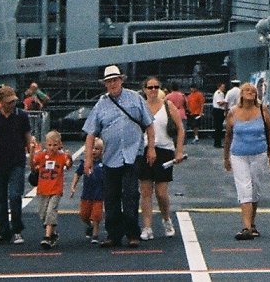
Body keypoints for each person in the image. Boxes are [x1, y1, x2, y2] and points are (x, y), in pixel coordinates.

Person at [82, 65, 156, 248]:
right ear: (105, 84)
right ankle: (113, 234)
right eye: (109, 81)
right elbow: (90, 133)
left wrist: (151, 148)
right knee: (111, 196)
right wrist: (89, 159)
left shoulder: (135, 98)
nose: (112, 84)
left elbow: (149, 124)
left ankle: (132, 233)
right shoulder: (101, 104)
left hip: (132, 153)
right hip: (110, 156)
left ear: (121, 80)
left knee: (130, 194)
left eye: (115, 80)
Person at [222, 81, 270, 241]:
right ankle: (246, 227)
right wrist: (226, 157)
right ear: (241, 94)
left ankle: (252, 224)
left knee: (255, 188)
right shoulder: (233, 112)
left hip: (258, 153)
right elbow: (228, 136)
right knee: (244, 188)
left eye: (253, 91)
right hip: (238, 155)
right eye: (247, 90)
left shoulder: (262, 110)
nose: (250, 92)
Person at [0, 85, 35, 245]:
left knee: (15, 196)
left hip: (17, 161)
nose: (12, 105)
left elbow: (27, 137)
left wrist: (32, 155)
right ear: (1, 101)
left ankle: (17, 229)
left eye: (13, 101)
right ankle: (2, 231)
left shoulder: (21, 116)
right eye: (9, 102)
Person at [138, 76, 185, 240]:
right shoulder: (140, 106)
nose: (153, 90)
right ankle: (147, 226)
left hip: (164, 149)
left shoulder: (168, 105)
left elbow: (180, 129)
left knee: (161, 192)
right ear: (144, 89)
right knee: (145, 191)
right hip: (144, 150)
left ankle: (166, 219)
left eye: (155, 87)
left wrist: (179, 151)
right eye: (149, 87)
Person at [31, 130, 72, 248]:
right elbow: (33, 166)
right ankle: (53, 233)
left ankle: (47, 237)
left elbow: (68, 165)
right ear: (45, 144)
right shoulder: (41, 156)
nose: (52, 147)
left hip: (55, 189)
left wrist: (69, 157)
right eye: (49, 145)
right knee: (43, 214)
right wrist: (33, 151)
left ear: (59, 144)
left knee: (50, 211)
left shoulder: (61, 156)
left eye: (55, 145)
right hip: (43, 189)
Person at [70, 138, 105, 243]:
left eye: (97, 149)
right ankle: (89, 226)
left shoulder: (104, 163)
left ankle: (95, 233)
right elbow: (78, 173)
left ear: (102, 151)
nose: (94, 151)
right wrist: (73, 186)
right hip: (87, 194)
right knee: (84, 215)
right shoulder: (85, 162)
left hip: (99, 194)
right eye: (92, 148)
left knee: (96, 215)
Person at [211, 81, 228, 147]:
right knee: (218, 127)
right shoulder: (219, 93)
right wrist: (226, 100)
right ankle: (217, 143)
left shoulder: (221, 93)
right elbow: (219, 103)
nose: (224, 88)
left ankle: (217, 142)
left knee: (218, 127)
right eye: (222, 87)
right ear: (219, 87)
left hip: (218, 111)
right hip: (218, 110)